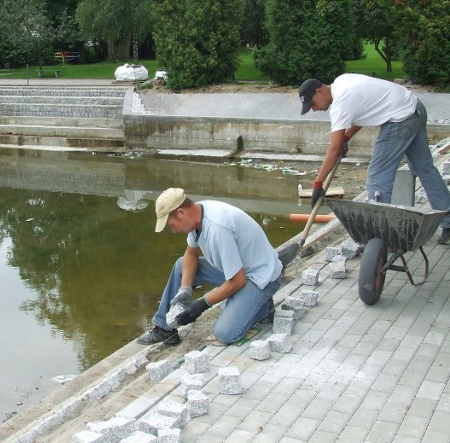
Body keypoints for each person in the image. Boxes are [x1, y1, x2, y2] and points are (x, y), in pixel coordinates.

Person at [299, 73, 450, 244]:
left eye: (312, 103)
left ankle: (379, 239)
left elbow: (333, 150)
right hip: (414, 107)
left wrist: (318, 184)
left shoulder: (340, 104)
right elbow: (363, 113)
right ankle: (449, 222)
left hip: (400, 119)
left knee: (378, 177)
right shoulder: (343, 82)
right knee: (425, 168)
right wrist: (346, 138)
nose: (313, 108)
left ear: (319, 91)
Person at [136, 188, 283, 346]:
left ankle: (263, 306)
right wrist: (185, 289)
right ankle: (164, 329)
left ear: (180, 213)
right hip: (238, 270)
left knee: (225, 333)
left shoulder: (218, 228)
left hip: (260, 277)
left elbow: (238, 281)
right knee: (181, 265)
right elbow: (191, 254)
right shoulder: (197, 214)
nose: (173, 231)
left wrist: (201, 305)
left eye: (171, 225)